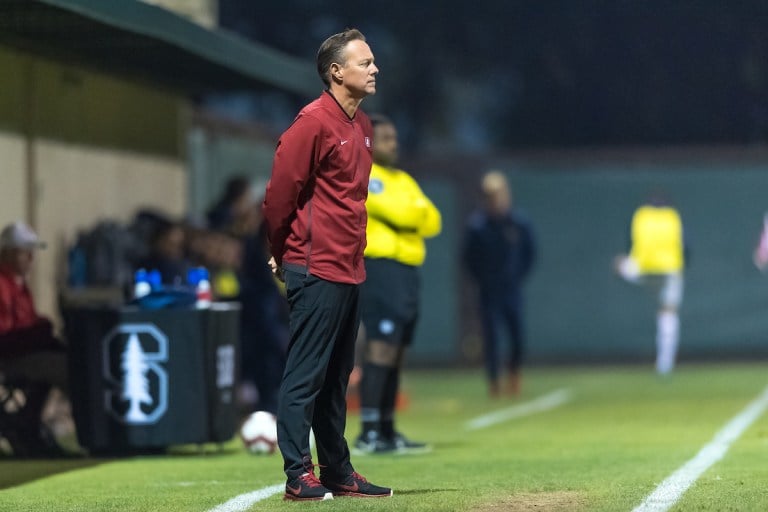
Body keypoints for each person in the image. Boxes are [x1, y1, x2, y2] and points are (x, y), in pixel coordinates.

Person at [262, 28, 391, 501]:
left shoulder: (364, 126)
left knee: (337, 378)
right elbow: (278, 196)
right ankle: (298, 472)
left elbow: (350, 202)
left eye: (373, 61)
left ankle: (338, 469)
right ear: (336, 71)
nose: (374, 69)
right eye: (365, 62)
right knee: (306, 375)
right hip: (314, 267)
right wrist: (279, 248)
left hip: (350, 267)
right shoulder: (311, 123)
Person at [354, 114, 441, 454]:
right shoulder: (366, 176)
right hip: (380, 269)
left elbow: (433, 220)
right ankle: (369, 431)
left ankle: (388, 430)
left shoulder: (403, 179)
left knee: (399, 352)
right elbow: (406, 215)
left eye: (394, 137)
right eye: (386, 138)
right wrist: (409, 215)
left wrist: (409, 214)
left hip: (406, 273)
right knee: (381, 348)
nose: (394, 143)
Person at [462, 171, 536, 398]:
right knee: (491, 337)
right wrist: (483, 280)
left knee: (517, 336)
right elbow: (468, 259)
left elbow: (530, 254)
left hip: (512, 288)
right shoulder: (477, 226)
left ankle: (514, 374)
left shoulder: (518, 223)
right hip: (488, 291)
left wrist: (517, 275)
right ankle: (494, 381)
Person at [0, 221, 70, 456]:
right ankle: (26, 426)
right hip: (10, 356)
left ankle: (27, 423)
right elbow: (6, 333)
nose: (31, 258)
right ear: (8, 252)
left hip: (22, 351)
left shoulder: (19, 285)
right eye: (24, 252)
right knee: (64, 368)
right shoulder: (3, 284)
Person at [614, 192, 687, 375]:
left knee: (618, 264)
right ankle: (665, 363)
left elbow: (631, 241)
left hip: (641, 270)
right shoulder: (672, 217)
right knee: (668, 313)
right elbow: (686, 245)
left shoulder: (641, 215)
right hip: (669, 271)